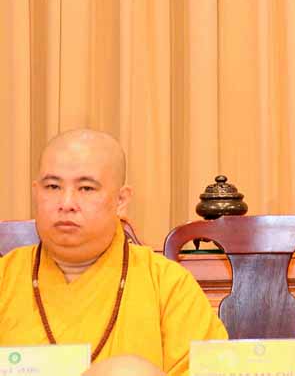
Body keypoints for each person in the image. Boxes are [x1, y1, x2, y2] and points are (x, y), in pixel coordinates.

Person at [0, 130, 226, 374]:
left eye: (86, 188)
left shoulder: (166, 284)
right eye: (53, 186)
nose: (66, 203)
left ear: (121, 200)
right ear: (36, 192)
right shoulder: (5, 278)